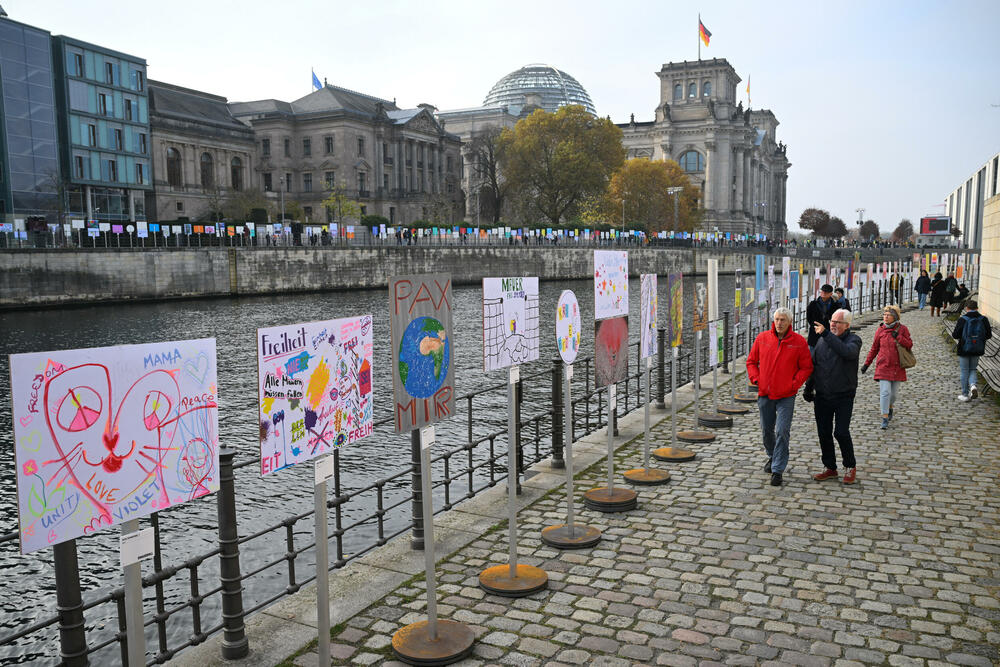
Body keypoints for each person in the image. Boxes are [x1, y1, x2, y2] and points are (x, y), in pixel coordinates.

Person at [746, 307, 813, 487]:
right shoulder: (762, 338)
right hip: (765, 393)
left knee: (782, 431)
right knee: (766, 430)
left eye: (783, 320)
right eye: (776, 319)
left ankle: (777, 470)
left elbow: (806, 367)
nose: (779, 323)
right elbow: (751, 361)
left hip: (786, 395)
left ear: (789, 322)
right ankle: (772, 456)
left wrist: (794, 384)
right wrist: (756, 379)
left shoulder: (798, 341)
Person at [804, 309, 862, 484]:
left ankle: (850, 466)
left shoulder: (854, 340)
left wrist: (827, 334)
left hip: (844, 395)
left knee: (841, 432)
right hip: (822, 395)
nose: (833, 324)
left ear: (847, 325)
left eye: (838, 322)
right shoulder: (822, 340)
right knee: (824, 432)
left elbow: (846, 352)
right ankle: (830, 467)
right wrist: (809, 387)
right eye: (832, 321)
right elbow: (815, 365)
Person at [862, 305, 913, 429]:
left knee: (893, 395)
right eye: (884, 315)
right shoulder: (880, 330)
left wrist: (899, 337)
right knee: (885, 392)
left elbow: (909, 344)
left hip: (897, 366)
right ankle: (884, 417)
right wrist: (866, 364)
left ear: (894, 317)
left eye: (888, 315)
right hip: (883, 366)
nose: (885, 317)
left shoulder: (903, 329)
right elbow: (874, 348)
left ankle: (890, 407)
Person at [952, 300, 993, 401]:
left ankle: (965, 395)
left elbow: (955, 335)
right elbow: (989, 335)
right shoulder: (983, 319)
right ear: (977, 308)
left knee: (964, 370)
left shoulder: (963, 319)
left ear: (966, 308)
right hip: (977, 349)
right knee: (973, 369)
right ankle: (973, 386)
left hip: (964, 349)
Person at [806, 284, 836, 349]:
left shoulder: (835, 305)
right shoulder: (813, 304)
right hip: (814, 333)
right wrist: (814, 325)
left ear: (831, 294)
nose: (824, 293)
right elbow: (809, 318)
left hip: (829, 333)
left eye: (826, 292)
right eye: (823, 291)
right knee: (812, 355)